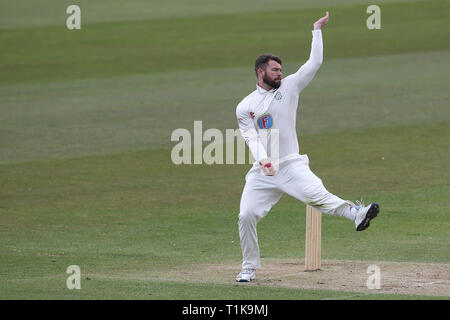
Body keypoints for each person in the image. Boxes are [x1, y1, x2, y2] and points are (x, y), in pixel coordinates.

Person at [235, 12, 380, 282]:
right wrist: (264, 160)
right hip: (262, 172)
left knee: (320, 197)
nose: (280, 73)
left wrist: (316, 31)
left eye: (281, 69)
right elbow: (251, 138)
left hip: (291, 164)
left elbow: (315, 62)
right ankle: (249, 268)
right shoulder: (245, 106)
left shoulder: (289, 86)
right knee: (245, 215)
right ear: (260, 72)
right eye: (275, 70)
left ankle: (357, 214)